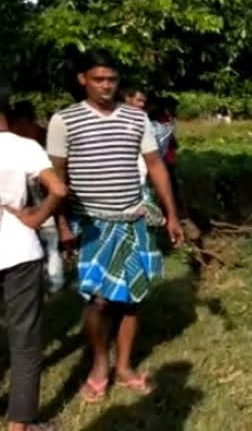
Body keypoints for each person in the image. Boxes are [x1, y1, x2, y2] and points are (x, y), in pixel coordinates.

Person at [47, 49, 184, 403]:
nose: (106, 86)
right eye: (98, 79)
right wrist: (62, 225)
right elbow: (57, 179)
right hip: (92, 224)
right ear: (83, 80)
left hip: (135, 219)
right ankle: (99, 364)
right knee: (98, 300)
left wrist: (171, 215)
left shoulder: (137, 119)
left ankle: (123, 366)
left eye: (111, 80)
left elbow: (155, 166)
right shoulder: (64, 121)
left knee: (133, 299)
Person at [0, 86, 68, 430]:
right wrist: (36, 218)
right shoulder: (24, 147)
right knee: (24, 341)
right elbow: (58, 189)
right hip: (18, 251)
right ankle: (19, 426)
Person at [8, 102, 65, 292]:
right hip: (33, 206)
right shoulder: (30, 142)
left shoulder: (34, 140)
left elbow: (56, 186)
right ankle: (54, 282)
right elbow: (58, 187)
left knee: (50, 240)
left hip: (37, 201)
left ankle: (54, 282)